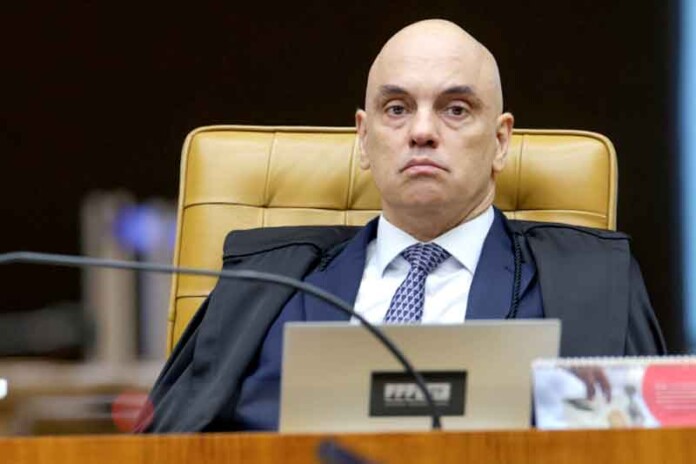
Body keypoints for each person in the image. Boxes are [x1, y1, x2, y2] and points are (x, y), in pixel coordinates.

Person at [139, 19, 665, 433]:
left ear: (501, 141)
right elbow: (166, 444)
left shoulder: (590, 282)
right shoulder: (265, 285)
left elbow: (652, 446)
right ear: (363, 139)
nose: (421, 131)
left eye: (455, 109)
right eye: (396, 108)